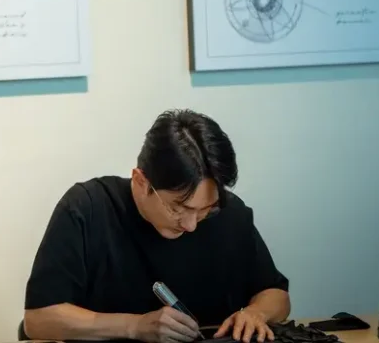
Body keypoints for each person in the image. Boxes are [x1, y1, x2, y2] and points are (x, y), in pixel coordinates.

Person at [22, 109, 290, 343]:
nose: (191, 225)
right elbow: (39, 319)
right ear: (141, 181)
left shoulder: (229, 213)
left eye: (205, 210)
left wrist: (256, 313)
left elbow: (276, 293)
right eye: (178, 208)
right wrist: (134, 326)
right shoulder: (87, 209)